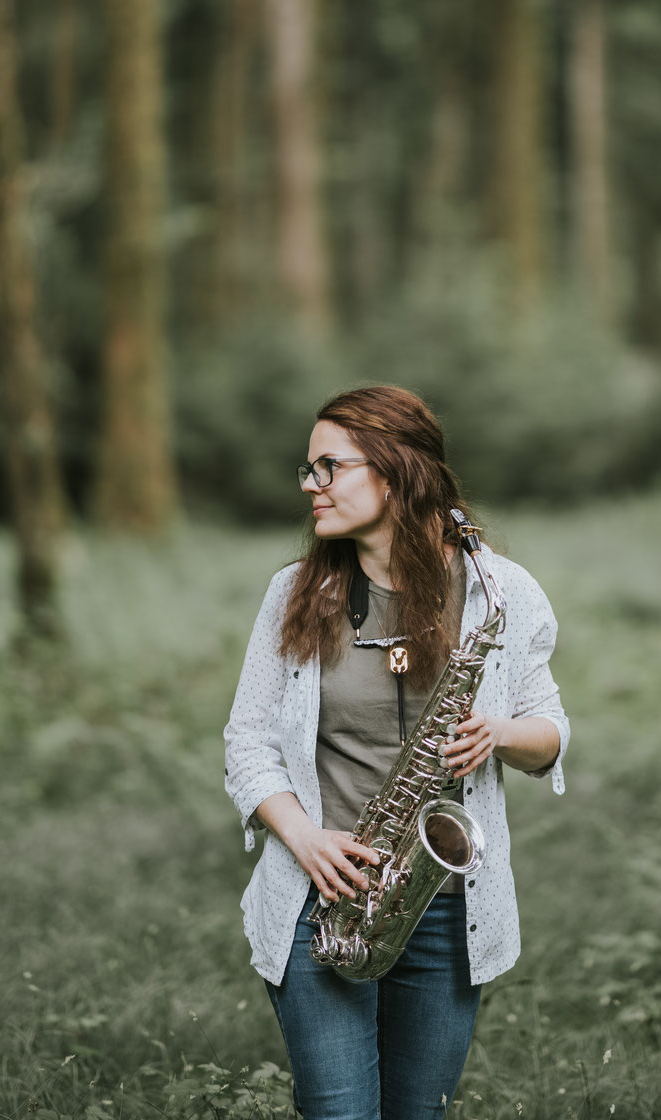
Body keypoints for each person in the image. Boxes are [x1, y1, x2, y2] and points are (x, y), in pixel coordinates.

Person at [224, 384, 570, 1120]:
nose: (312, 487)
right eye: (307, 470)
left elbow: (549, 736)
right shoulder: (293, 593)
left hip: (445, 912)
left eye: (330, 467)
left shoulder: (498, 593)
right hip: (322, 901)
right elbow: (247, 741)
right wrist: (305, 838)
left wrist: (499, 734)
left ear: (397, 469)